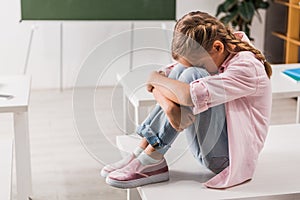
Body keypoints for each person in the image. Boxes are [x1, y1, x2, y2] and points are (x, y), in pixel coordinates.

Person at [101, 11, 272, 189]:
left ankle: (152, 157)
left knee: (193, 74)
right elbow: (160, 79)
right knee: (183, 72)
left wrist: (155, 80)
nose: (197, 66)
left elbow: (184, 94)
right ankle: (143, 153)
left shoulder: (247, 66)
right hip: (210, 147)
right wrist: (170, 108)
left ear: (218, 47)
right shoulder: (217, 48)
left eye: (200, 63)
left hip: (226, 158)